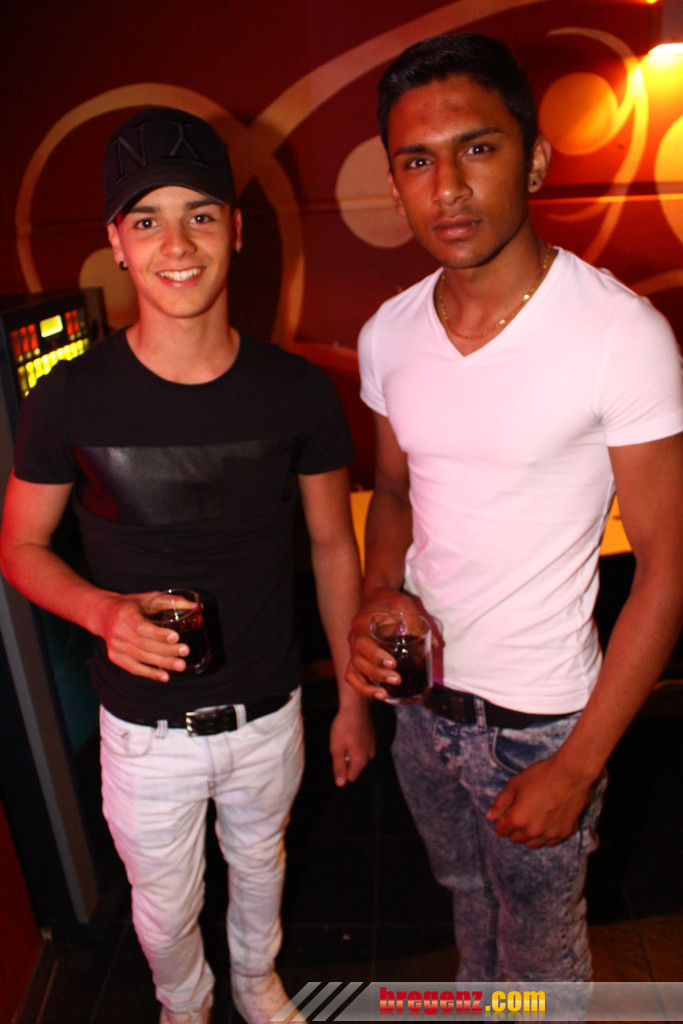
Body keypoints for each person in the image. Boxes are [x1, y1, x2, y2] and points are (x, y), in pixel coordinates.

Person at [0, 107, 374, 1024]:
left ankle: (255, 983)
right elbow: (19, 547)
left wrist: (351, 699)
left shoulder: (298, 391)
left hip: (270, 713)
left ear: (235, 230)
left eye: (200, 215)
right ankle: (185, 1006)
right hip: (143, 732)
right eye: (147, 219)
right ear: (117, 244)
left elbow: (334, 545)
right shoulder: (67, 398)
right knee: (164, 914)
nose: (176, 244)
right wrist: (103, 613)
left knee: (261, 869)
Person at [346, 33, 683, 982]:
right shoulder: (388, 332)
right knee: (465, 902)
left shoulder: (618, 334)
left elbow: (667, 566)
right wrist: (377, 593)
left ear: (533, 160)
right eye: (417, 161)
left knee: (539, 954)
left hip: (541, 722)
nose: (447, 187)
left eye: (477, 148)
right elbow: (395, 491)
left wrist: (577, 764)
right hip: (420, 706)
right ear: (395, 184)